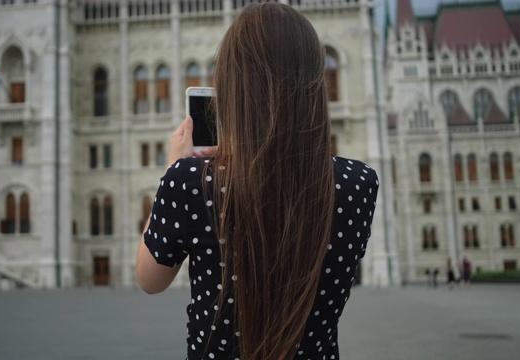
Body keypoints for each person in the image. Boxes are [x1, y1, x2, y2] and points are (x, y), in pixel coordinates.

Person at [135, 3, 379, 359]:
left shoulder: (190, 182)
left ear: (231, 91)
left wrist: (173, 171)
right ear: (314, 84)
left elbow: (149, 279)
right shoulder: (359, 184)